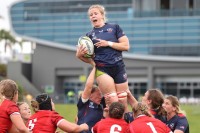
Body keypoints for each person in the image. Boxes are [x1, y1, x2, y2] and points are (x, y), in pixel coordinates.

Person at [76, 4, 130, 111]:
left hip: (119, 67)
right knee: (113, 100)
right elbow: (87, 57)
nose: (93, 16)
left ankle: (125, 125)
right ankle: (112, 125)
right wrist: (80, 56)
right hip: (102, 69)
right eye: (90, 15)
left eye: (95, 13)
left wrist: (108, 43)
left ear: (102, 15)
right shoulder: (89, 36)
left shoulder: (114, 28)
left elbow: (126, 46)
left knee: (123, 99)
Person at [76, 60, 106, 133]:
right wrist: (95, 67)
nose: (100, 96)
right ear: (90, 94)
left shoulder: (102, 104)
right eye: (98, 94)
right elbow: (88, 86)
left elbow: (107, 87)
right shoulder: (84, 103)